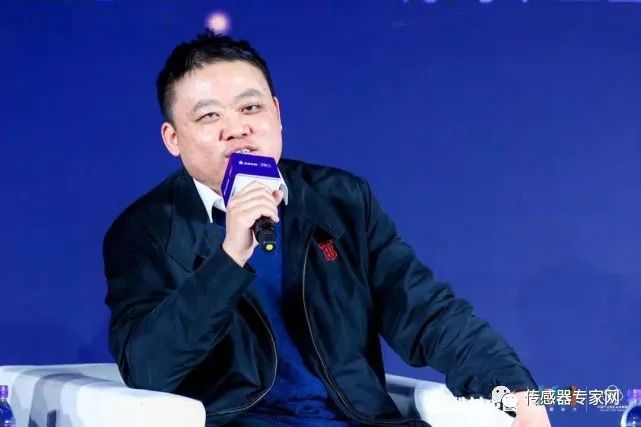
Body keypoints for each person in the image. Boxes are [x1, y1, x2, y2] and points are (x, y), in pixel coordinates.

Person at [102, 30, 551, 427]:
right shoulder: (144, 232)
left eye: (250, 107)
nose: (236, 129)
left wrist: (513, 390)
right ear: (173, 139)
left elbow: (426, 312)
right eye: (209, 117)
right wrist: (230, 257)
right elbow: (149, 368)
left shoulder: (341, 200)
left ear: (277, 113)